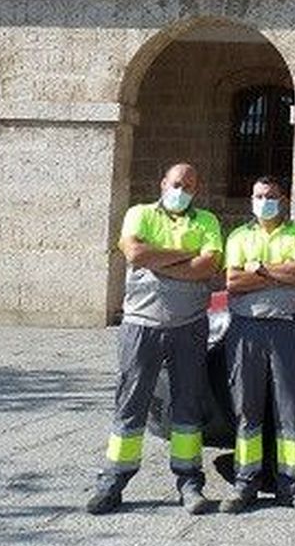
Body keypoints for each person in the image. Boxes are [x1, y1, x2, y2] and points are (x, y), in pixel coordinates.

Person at [86, 162, 223, 516]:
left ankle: (189, 481)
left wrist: (157, 258)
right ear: (163, 183)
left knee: (188, 404)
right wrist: (186, 255)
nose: (182, 190)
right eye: (177, 183)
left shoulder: (206, 221)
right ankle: (113, 479)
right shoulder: (139, 214)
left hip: (189, 325)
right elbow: (134, 253)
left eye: (189, 186)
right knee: (131, 400)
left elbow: (208, 267)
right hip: (140, 324)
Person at [220, 177, 295, 513]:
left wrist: (260, 270)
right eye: (258, 196)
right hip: (246, 329)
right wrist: (280, 274)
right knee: (247, 409)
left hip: (287, 329)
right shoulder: (239, 236)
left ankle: (294, 486)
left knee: (293, 410)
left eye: (270, 196)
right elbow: (233, 281)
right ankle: (244, 485)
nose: (264, 201)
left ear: (284, 199)